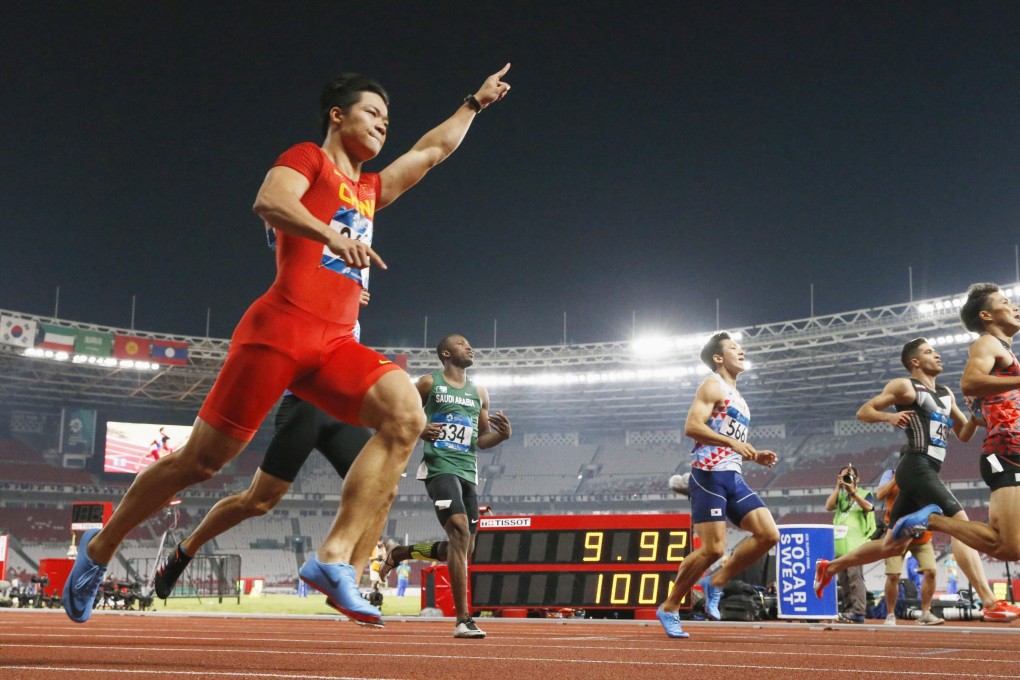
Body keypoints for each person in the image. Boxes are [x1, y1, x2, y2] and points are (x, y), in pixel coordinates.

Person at [63, 64, 513, 625]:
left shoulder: (370, 190)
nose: (383, 125)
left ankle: (332, 559)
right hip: (278, 332)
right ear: (337, 115)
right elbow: (270, 201)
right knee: (200, 462)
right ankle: (100, 547)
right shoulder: (308, 158)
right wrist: (330, 236)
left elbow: (430, 151)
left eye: (387, 118)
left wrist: (474, 103)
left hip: (334, 344)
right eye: (372, 113)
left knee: (406, 415)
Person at [152, 306, 375, 602]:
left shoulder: (351, 314)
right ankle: (186, 550)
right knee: (258, 501)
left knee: (380, 487)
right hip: (304, 407)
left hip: (342, 409)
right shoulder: (309, 303)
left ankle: (348, 583)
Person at [814, 336, 1018, 621]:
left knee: (890, 545)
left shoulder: (945, 393)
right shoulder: (905, 386)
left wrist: (975, 416)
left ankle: (830, 567)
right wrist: (889, 418)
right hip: (915, 465)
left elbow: (963, 433)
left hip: (927, 469)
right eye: (929, 352)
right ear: (915, 361)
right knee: (960, 523)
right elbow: (864, 411)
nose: (937, 355)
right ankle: (989, 602)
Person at [892, 285, 1020, 608]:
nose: (1015, 307)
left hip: (1012, 446)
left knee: (1012, 547)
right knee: (1008, 548)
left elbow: (981, 413)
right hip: (1006, 452)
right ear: (986, 315)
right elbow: (970, 382)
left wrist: (978, 414)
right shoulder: (986, 343)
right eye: (1006, 302)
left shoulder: (1003, 352)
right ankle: (932, 520)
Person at [377, 333, 512, 638]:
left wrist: (502, 436)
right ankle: (463, 619)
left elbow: (481, 440)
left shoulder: (479, 392)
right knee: (461, 532)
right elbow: (397, 414)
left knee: (462, 548)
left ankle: (400, 553)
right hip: (439, 468)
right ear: (446, 354)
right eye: (462, 343)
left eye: (469, 343)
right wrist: (420, 428)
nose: (469, 346)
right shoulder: (429, 384)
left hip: (468, 472)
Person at [656, 332, 779, 638]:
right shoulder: (712, 385)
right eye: (734, 348)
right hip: (708, 475)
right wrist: (732, 443)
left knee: (768, 535)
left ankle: (717, 581)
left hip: (733, 476)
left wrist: (754, 454)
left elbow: (730, 439)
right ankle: (669, 606)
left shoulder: (741, 400)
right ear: (718, 358)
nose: (742, 351)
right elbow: (692, 426)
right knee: (712, 549)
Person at [873, 469, 940, 626]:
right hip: (896, 534)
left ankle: (925, 613)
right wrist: (896, 478)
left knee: (931, 571)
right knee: (893, 575)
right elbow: (880, 495)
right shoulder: (890, 474)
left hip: (921, 534)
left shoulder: (926, 471)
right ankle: (890, 615)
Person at [824, 464, 875, 623]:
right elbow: (828, 506)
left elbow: (869, 507)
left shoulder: (865, 494)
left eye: (849, 475)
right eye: (843, 476)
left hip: (856, 544)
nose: (846, 478)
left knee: (855, 578)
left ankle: (858, 611)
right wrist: (838, 487)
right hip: (840, 544)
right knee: (844, 580)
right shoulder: (840, 496)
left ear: (857, 479)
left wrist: (853, 492)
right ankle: (849, 611)